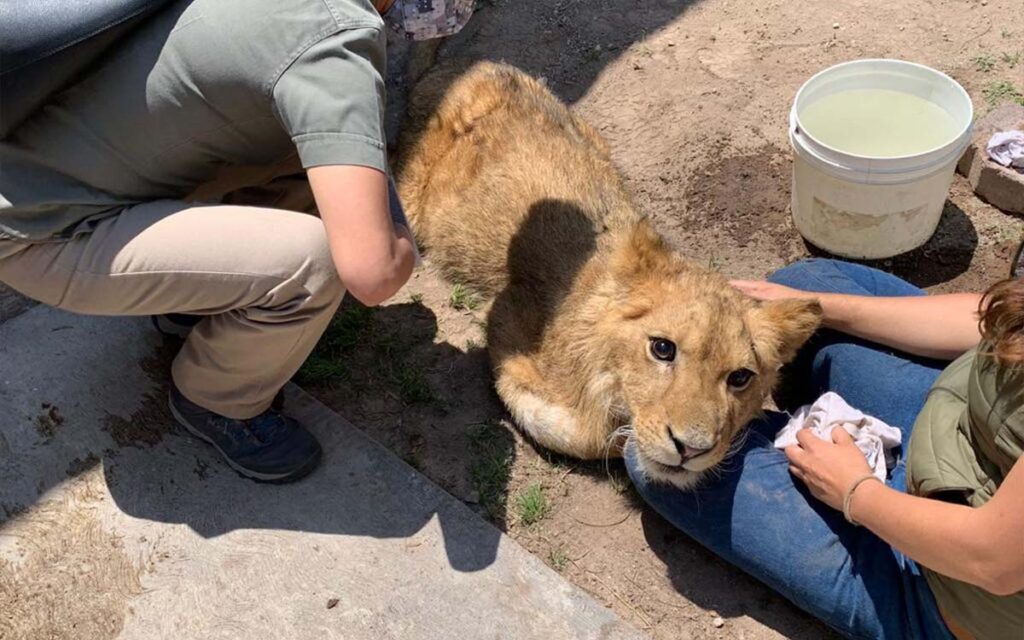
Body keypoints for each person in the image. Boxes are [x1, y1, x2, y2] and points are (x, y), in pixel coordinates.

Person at [0, 0, 473, 483]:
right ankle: (216, 399)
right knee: (318, 264)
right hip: (40, 235)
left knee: (309, 157)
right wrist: (399, 239)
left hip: (37, 169)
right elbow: (371, 275)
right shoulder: (337, 43)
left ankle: (197, 304)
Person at [626, 258, 1024, 640]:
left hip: (948, 584)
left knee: (651, 462)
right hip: (962, 418)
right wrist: (822, 309)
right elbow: (995, 325)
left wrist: (856, 493)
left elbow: (994, 563)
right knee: (804, 290)